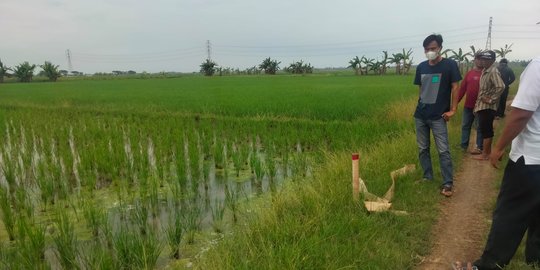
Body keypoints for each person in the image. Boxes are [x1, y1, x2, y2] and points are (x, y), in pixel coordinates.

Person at [454, 57, 540, 269]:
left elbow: (521, 114)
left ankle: (488, 265)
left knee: (509, 213)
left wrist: (499, 147)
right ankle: (534, 259)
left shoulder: (537, 66)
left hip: (530, 158)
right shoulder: (478, 72)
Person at [413, 34, 462, 197]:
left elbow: (456, 87)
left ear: (440, 47)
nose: (429, 52)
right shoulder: (421, 67)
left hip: (439, 116)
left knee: (443, 150)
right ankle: (427, 176)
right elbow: (421, 89)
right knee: (423, 148)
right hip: (421, 115)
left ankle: (447, 183)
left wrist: (453, 110)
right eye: (426, 49)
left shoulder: (450, 65)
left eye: (432, 48)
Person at [472, 50, 505, 161]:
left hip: (487, 107)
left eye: (486, 59)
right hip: (482, 106)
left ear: (493, 60)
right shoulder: (485, 71)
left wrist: (492, 99)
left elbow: (500, 86)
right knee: (484, 128)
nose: (483, 61)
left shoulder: (493, 71)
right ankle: (487, 153)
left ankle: (486, 154)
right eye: (482, 59)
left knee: (486, 130)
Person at [458, 53, 484, 154]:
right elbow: (462, 89)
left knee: (479, 127)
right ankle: (463, 146)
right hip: (468, 106)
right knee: (465, 126)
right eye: (478, 59)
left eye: (482, 59)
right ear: (475, 60)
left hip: (481, 106)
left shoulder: (486, 73)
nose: (480, 61)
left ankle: (479, 147)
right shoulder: (469, 73)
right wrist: (455, 103)